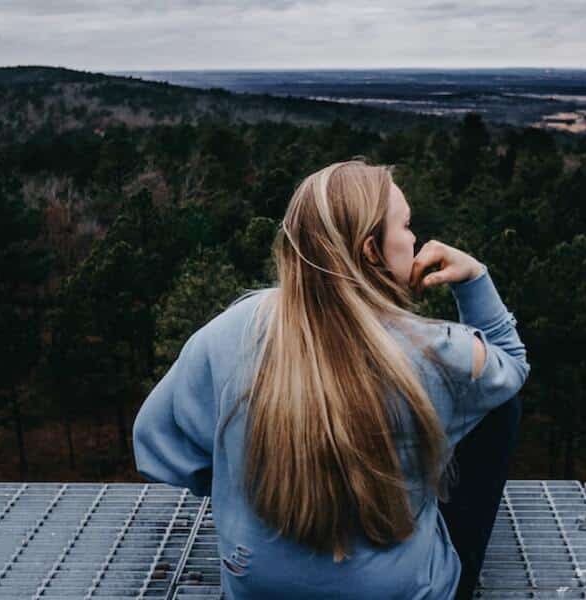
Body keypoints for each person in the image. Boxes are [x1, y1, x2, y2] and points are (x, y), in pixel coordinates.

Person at [133, 158, 530, 599]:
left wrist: (241, 486)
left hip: (257, 585)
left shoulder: (234, 329)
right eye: (405, 225)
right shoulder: (434, 351)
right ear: (370, 251)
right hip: (393, 592)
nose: (416, 238)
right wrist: (473, 278)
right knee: (500, 406)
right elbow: (512, 364)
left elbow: (155, 443)